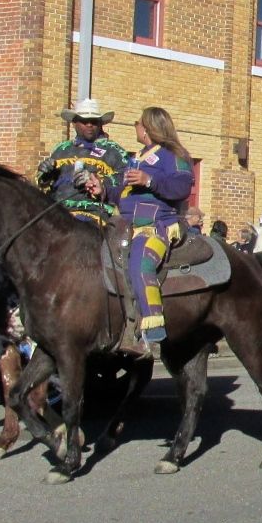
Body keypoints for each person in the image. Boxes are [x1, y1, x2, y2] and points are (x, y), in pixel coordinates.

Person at [86, 107, 194, 358]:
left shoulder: (174, 155)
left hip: (156, 225)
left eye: (137, 122)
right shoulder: (138, 156)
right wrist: (103, 190)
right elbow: (125, 194)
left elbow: (181, 187)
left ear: (147, 128)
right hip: (124, 224)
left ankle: (152, 333)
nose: (135, 126)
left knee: (140, 264)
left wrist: (149, 181)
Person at [36, 98, 127, 224]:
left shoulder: (113, 151)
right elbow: (45, 187)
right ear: (74, 123)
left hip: (94, 213)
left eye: (94, 121)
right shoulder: (61, 149)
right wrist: (45, 175)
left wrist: (98, 182)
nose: (89, 125)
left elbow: (124, 181)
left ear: (100, 124)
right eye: (84, 121)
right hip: (57, 211)